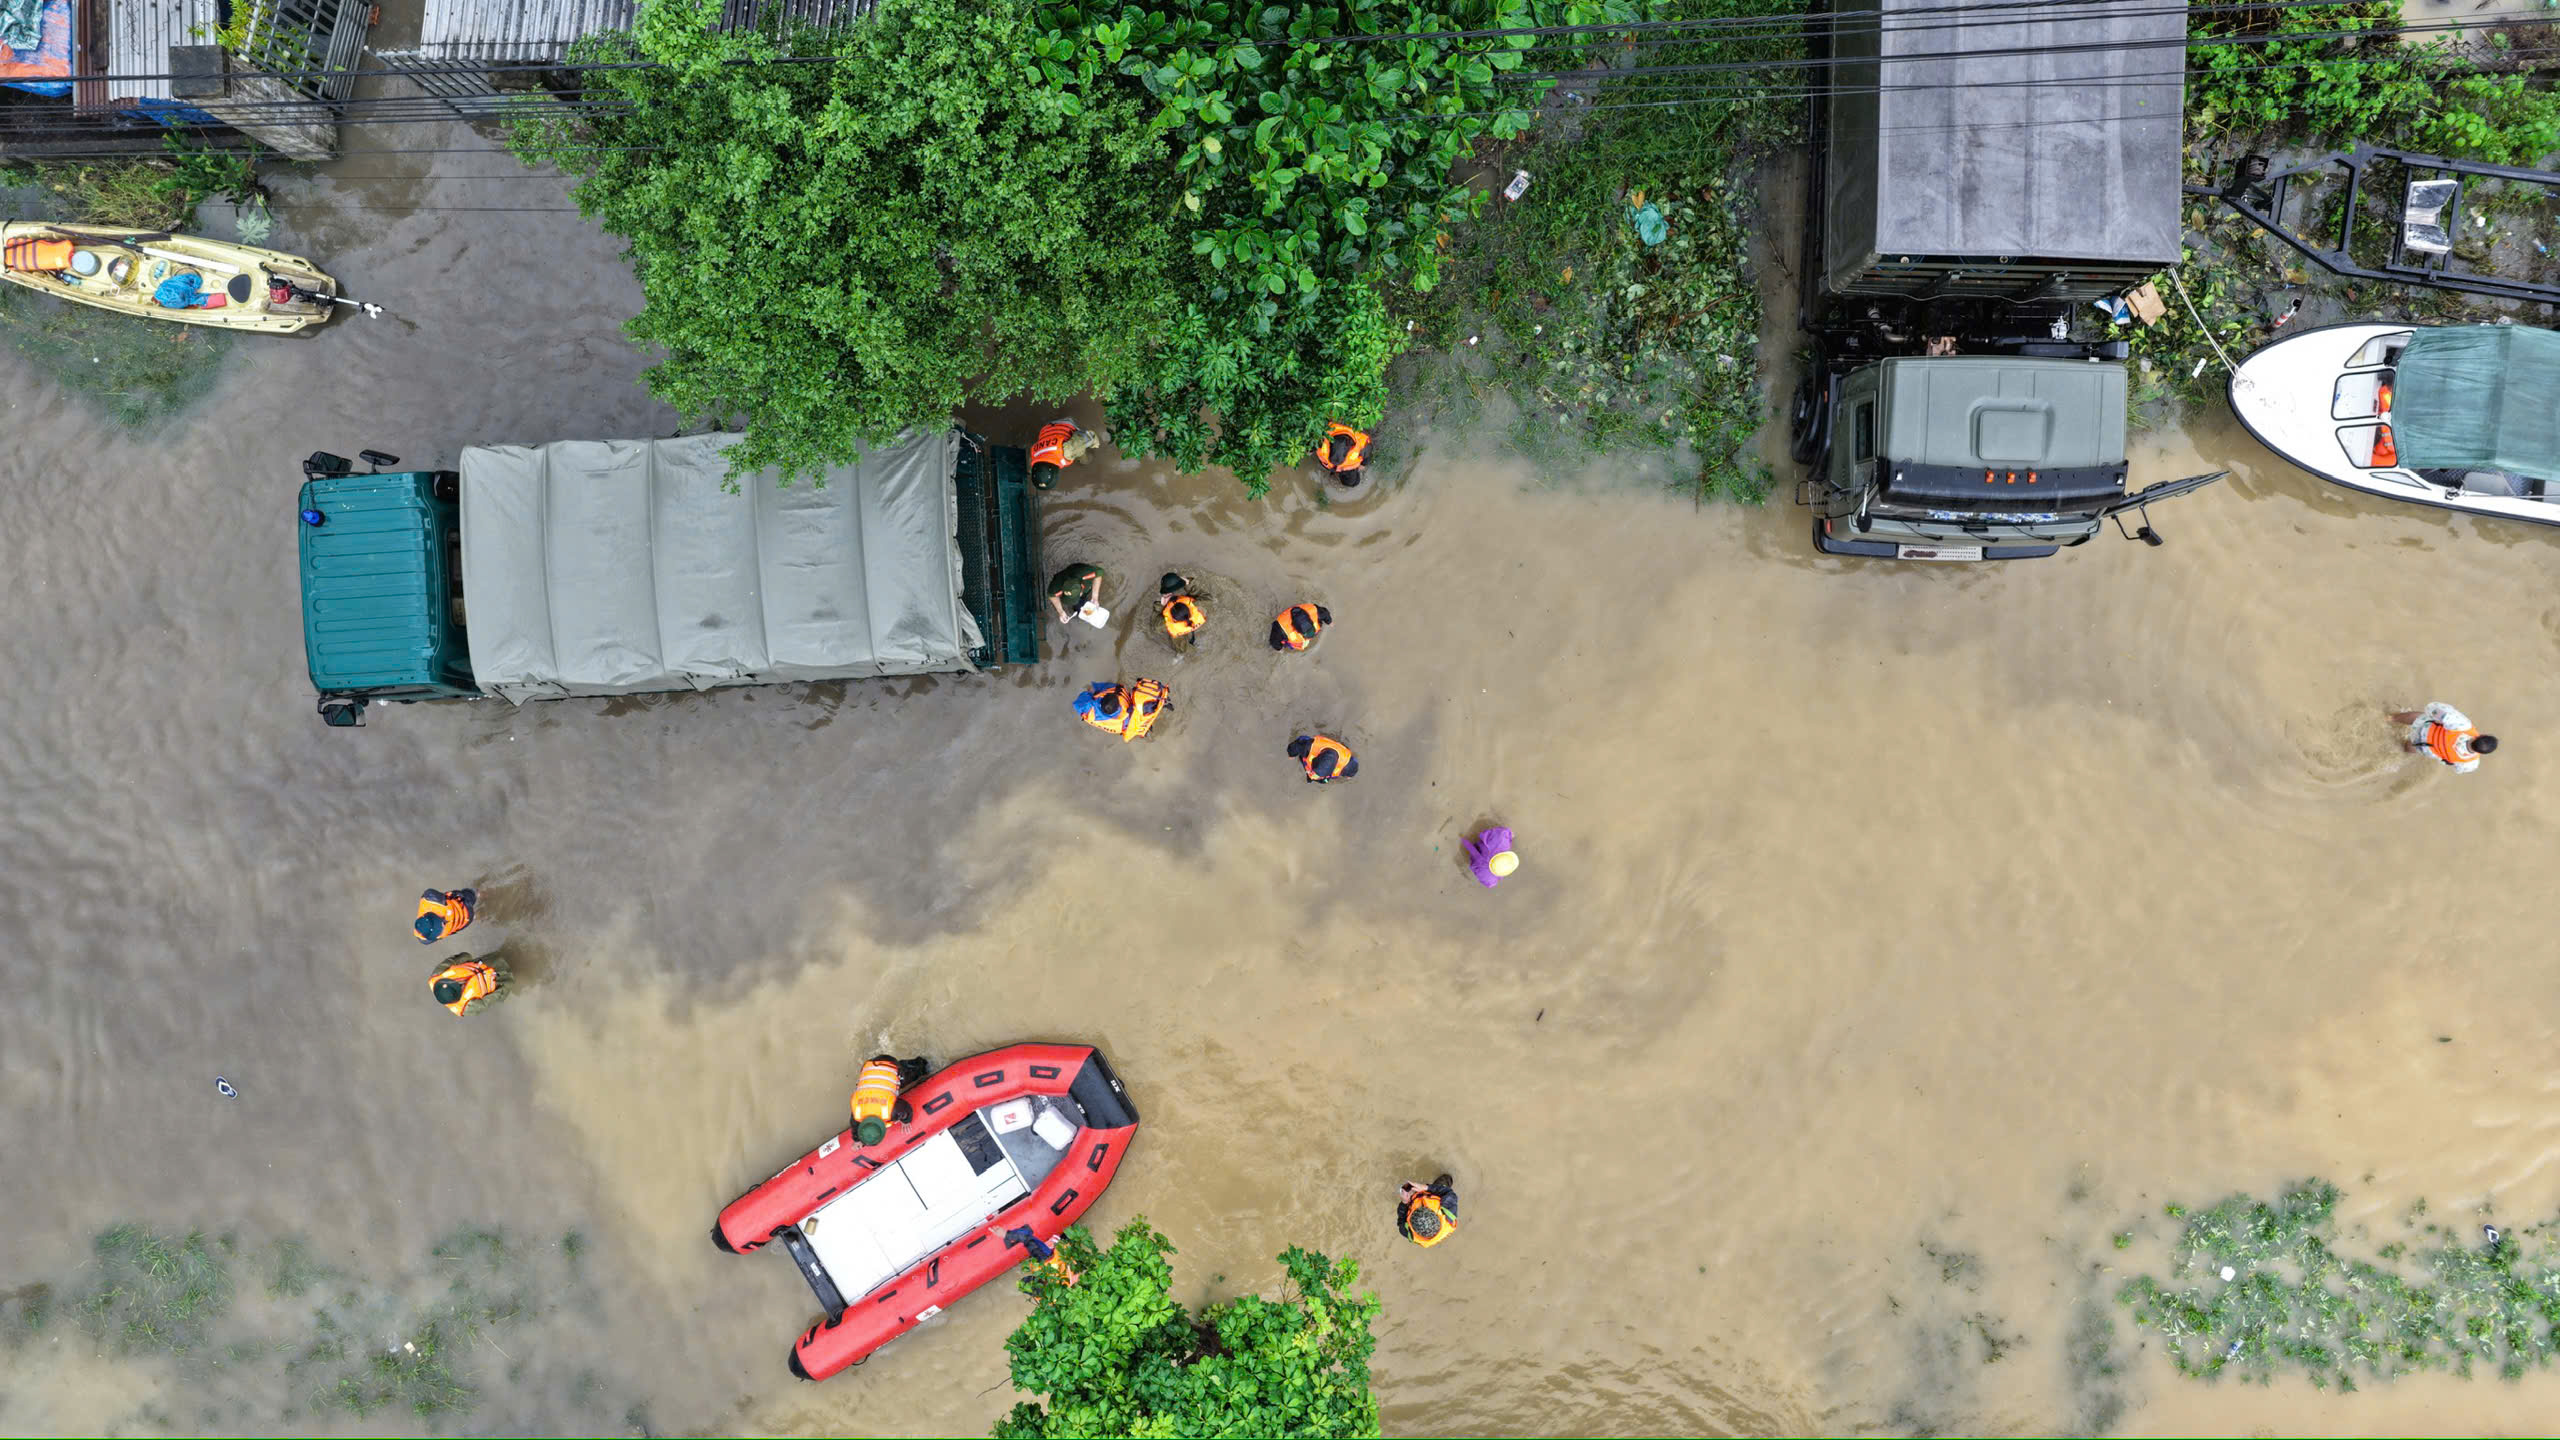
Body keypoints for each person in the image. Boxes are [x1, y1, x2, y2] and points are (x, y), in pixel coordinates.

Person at [2392, 702, 2496, 773]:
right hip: (2424, 746)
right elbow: (2457, 768)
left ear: (2480, 736)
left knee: (2420, 716)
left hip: (2423, 729)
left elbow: (2436, 711)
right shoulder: (2471, 764)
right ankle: (2400, 747)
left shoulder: (2464, 726)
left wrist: (2432, 712)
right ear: (2480, 753)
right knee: (2415, 747)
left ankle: (2391, 718)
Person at [850, 1054, 928, 1146]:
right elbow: (854, 1123)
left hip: (890, 1065)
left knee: (918, 1072)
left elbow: (906, 1108)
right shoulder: (857, 1112)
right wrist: (856, 1139)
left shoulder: (891, 1112)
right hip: (871, 1065)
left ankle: (924, 1064)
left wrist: (906, 1121)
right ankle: (909, 1064)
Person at [1077, 679, 1171, 742]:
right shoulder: (1118, 695)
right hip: (1126, 724)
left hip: (1119, 728)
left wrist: (1092, 693)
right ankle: (1160, 705)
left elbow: (1079, 701)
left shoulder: (1088, 710)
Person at [1029, 419, 1102, 490]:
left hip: (1067, 423)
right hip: (1047, 427)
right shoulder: (1034, 454)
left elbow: (1088, 435)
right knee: (1077, 448)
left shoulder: (1067, 452)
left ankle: (1085, 461)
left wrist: (1094, 443)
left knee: (1082, 455)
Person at [994, 1223, 1079, 1284]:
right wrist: (1006, 1235)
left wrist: (1007, 1235)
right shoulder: (1043, 1257)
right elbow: (1026, 1237)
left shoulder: (1045, 1261)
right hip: (1050, 1257)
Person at [429, 953, 507, 1018]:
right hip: (498, 976)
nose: (457, 982)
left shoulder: (436, 975)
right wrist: (503, 988)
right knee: (504, 957)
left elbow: (495, 997)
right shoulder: (466, 1008)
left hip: (496, 975)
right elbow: (493, 998)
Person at [1396, 1174, 1460, 1248]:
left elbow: (1401, 1220)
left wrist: (1404, 1203)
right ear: (1434, 1214)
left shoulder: (1407, 1232)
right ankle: (1446, 1180)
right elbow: (1448, 1192)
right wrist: (1427, 1188)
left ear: (1413, 1228)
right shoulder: (1449, 1213)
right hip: (1432, 1197)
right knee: (1444, 1182)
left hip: (1411, 1201)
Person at [1314, 423, 1372, 488]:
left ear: (1356, 470)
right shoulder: (1328, 465)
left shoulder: (1358, 457)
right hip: (1328, 427)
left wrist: (1364, 464)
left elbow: (1369, 448)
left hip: (1345, 425)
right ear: (1339, 475)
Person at [1158, 573, 1206, 650]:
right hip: (1196, 624)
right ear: (1189, 609)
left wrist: (1161, 606)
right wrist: (1188, 584)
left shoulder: (1165, 625)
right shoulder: (1198, 606)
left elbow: (1155, 627)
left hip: (1180, 633)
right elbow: (1208, 597)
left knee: (1181, 648)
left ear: (1174, 620)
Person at [413, 886, 478, 944]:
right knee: (478, 915)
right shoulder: (425, 939)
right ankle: (476, 915)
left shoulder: (431, 899)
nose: (443, 926)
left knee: (473, 893)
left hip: (463, 903)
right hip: (464, 921)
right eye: (438, 931)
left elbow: (430, 893)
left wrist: (459, 895)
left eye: (439, 925)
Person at [1288, 733, 1358, 783]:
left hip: (1319, 767)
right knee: (1301, 743)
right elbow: (1297, 746)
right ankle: (1316, 774)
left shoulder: (1345, 760)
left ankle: (1316, 776)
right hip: (1312, 752)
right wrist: (1291, 754)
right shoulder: (1308, 747)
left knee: (1322, 779)